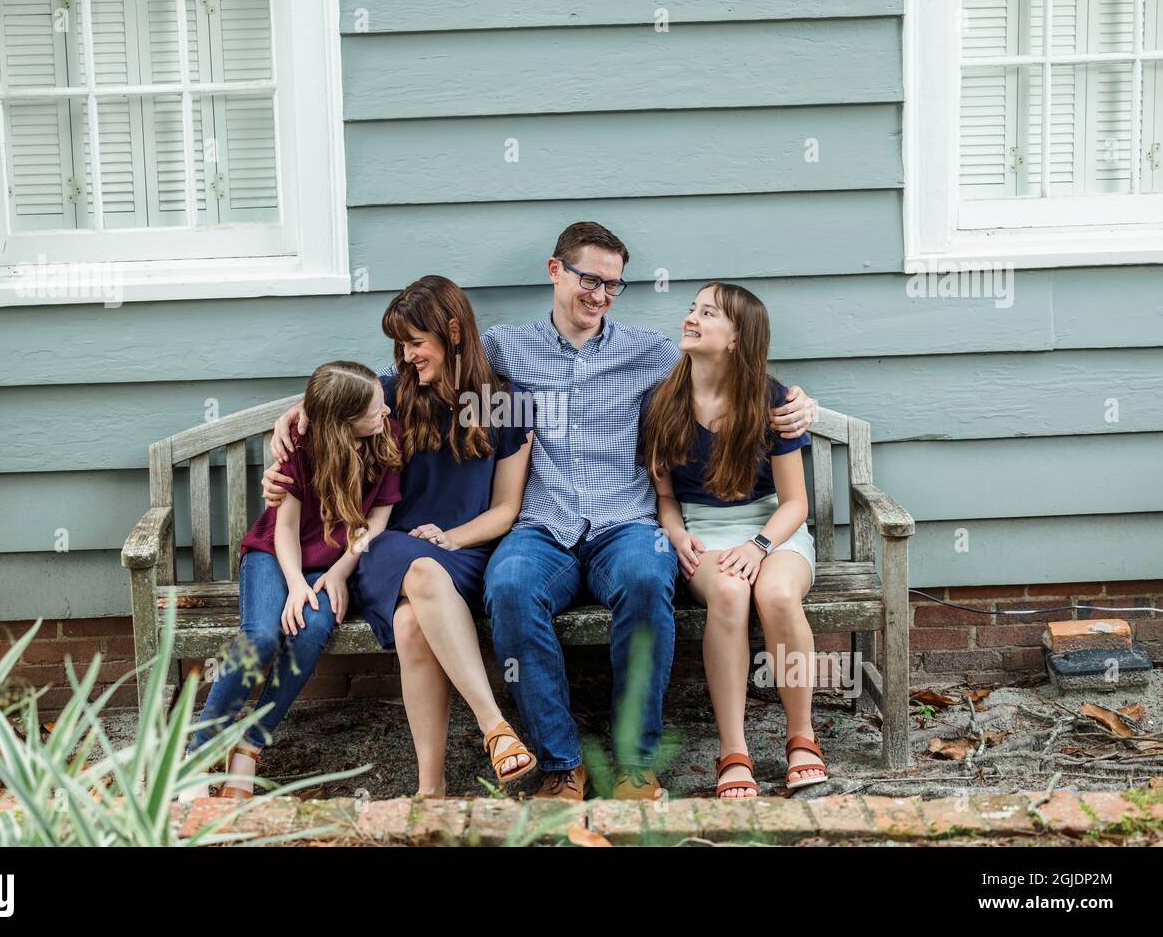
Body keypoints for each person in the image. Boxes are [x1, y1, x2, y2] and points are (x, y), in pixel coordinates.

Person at [268, 221, 818, 801]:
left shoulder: (652, 353)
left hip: (625, 522)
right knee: (509, 588)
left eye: (613, 285)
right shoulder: (507, 348)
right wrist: (301, 414)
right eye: (590, 279)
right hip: (538, 525)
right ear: (555, 271)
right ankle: (560, 764)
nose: (600, 295)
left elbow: (733, 374)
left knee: (643, 580)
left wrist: (802, 403)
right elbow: (398, 378)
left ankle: (634, 762)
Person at [264, 277, 538, 795]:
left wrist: (454, 538)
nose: (407, 355)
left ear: (453, 332)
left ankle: (429, 792)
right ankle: (493, 726)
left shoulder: (507, 403)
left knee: (412, 624)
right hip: (384, 544)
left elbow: (505, 510)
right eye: (401, 345)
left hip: (464, 552)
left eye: (416, 342)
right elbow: (329, 407)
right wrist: (289, 417)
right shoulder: (392, 393)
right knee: (414, 565)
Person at [179, 361, 402, 802]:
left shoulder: (384, 439)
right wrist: (297, 583)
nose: (386, 411)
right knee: (261, 637)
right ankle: (194, 757)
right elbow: (284, 528)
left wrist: (339, 571)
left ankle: (249, 748)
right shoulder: (302, 446)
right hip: (275, 555)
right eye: (376, 407)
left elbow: (377, 519)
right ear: (342, 422)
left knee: (310, 629)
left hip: (332, 564)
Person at [642, 282, 826, 798]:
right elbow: (667, 498)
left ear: (736, 339)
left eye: (708, 313)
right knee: (727, 593)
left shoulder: (772, 401)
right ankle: (734, 749)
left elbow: (795, 503)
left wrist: (759, 546)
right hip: (703, 530)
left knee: (778, 596)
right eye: (692, 308)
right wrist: (676, 535)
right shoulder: (664, 402)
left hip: (773, 528)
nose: (691, 318)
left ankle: (802, 737)